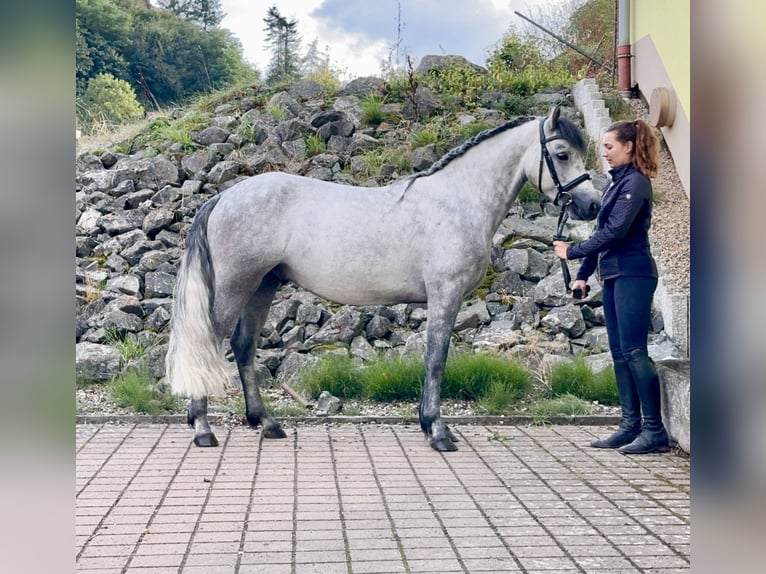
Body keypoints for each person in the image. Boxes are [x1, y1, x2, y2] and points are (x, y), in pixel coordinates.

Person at [553, 119, 670, 454]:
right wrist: (582, 275)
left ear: (629, 146)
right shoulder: (616, 185)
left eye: (609, 147)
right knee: (620, 355)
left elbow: (615, 232)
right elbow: (600, 236)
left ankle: (654, 430)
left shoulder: (636, 183)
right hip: (615, 276)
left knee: (634, 352)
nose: (604, 153)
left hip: (635, 274)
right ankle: (629, 425)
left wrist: (571, 252)